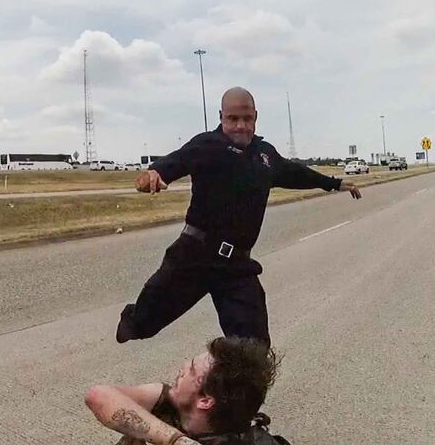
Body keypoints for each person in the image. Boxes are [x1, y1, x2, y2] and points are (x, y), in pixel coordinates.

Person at [117, 87, 361, 346]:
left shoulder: (265, 155)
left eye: (247, 119)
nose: (240, 126)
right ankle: (134, 319)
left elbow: (296, 173)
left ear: (256, 117)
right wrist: (151, 176)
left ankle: (230, 383)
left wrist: (334, 183)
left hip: (237, 267)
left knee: (253, 351)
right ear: (221, 117)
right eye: (232, 119)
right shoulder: (207, 145)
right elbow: (171, 163)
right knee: (140, 325)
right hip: (193, 257)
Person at [85, 336, 284, 445]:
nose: (182, 369)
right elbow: (98, 396)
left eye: (191, 370)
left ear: (205, 401)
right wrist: (177, 441)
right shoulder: (168, 401)